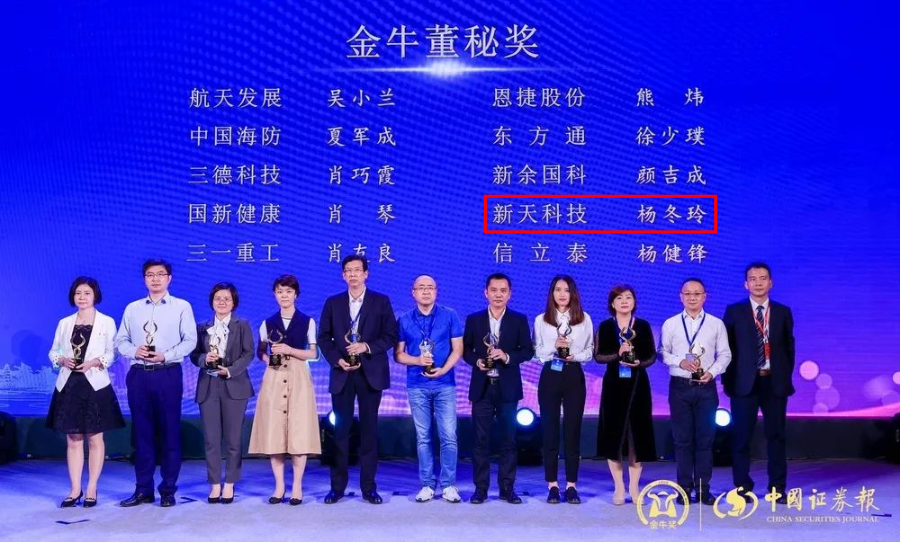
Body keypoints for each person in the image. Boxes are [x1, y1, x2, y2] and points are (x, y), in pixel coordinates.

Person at [115, 259, 197, 508]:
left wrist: (166, 355)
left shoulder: (181, 307)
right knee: (142, 434)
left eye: (161, 274)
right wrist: (134, 350)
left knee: (170, 433)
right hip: (139, 375)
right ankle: (143, 490)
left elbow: (190, 341)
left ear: (169, 278)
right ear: (144, 279)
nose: (155, 279)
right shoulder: (133, 308)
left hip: (167, 373)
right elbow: (120, 340)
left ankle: (168, 490)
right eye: (150, 275)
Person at [318, 255, 398, 504]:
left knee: (368, 432)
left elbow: (391, 336)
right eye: (348, 271)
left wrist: (366, 346)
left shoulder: (380, 301)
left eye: (357, 270)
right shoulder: (333, 302)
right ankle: (337, 488)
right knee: (340, 432)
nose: (353, 274)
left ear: (366, 274)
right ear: (343, 275)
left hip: (370, 374)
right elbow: (323, 338)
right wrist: (336, 360)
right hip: (342, 373)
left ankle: (368, 488)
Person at [47, 276, 125, 508]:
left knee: (95, 437)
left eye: (87, 293)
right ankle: (75, 489)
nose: (82, 297)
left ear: (95, 296)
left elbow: (113, 353)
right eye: (78, 293)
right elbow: (53, 351)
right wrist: (61, 359)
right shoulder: (64, 323)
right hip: (69, 385)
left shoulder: (106, 322)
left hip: (95, 384)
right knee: (73, 438)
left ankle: (91, 487)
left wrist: (94, 362)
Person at [723, 263, 795, 504]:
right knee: (741, 437)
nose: (758, 283)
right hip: (744, 385)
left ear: (770, 283)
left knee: (776, 436)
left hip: (774, 383)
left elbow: (789, 349)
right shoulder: (734, 311)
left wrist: (784, 377)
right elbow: (727, 350)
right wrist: (729, 383)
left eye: (763, 278)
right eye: (753, 279)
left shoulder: (783, 312)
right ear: (746, 284)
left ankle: (777, 488)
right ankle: (742, 487)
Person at [248, 274, 321, 506]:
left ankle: (297, 486)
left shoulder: (307, 321)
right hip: (275, 376)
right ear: (275, 295)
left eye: (288, 291)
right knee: (275, 431)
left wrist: (290, 350)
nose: (284, 296)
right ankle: (279, 486)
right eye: (280, 292)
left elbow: (313, 353)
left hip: (299, 376)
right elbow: (260, 351)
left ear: (296, 294)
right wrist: (268, 360)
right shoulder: (267, 323)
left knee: (299, 431)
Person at [462, 273, 534, 504]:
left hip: (508, 388)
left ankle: (507, 488)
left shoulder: (519, 319)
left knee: (508, 441)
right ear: (486, 292)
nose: (498, 295)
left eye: (503, 290)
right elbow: (466, 350)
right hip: (482, 388)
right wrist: (477, 361)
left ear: (510, 294)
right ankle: (480, 489)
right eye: (494, 290)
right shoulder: (474, 319)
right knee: (480, 441)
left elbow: (527, 351)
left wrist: (507, 356)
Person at [659, 278, 732, 505]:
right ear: (681, 297)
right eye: (688, 293)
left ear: (704, 296)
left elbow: (725, 354)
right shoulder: (670, 324)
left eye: (697, 293)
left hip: (706, 387)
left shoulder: (716, 324)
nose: (692, 297)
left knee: (705, 441)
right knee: (682, 441)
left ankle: (703, 489)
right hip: (679, 387)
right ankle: (684, 488)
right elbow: (662, 352)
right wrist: (680, 362)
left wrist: (712, 372)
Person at [395, 274, 464, 503]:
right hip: (417, 385)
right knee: (423, 437)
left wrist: (443, 370)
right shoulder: (404, 319)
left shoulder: (449, 315)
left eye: (430, 288)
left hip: (445, 384)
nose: (426, 291)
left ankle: (449, 485)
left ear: (436, 291)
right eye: (421, 288)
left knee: (449, 436)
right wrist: (417, 361)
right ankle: (427, 484)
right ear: (413, 292)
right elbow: (398, 354)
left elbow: (458, 349)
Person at [189, 282, 255, 504]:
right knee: (211, 439)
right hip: (208, 386)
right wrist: (203, 359)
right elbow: (194, 354)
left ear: (234, 302)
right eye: (218, 298)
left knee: (234, 439)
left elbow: (248, 353)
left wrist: (230, 370)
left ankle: (230, 483)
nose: (222, 302)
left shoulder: (242, 325)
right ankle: (215, 483)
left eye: (227, 298)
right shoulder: (202, 327)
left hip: (235, 386)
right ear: (212, 302)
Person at [532, 275, 594, 504]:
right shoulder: (541, 320)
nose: (562, 294)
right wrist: (554, 347)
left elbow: (590, 351)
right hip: (550, 373)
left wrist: (573, 355)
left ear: (573, 293)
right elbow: (537, 351)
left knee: (572, 430)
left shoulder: (584, 318)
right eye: (557, 289)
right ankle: (552, 485)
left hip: (573, 374)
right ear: (552, 293)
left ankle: (571, 485)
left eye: (566, 290)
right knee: (549, 431)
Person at [594, 284, 656, 505]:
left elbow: (651, 356)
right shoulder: (605, 326)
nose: (624, 301)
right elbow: (598, 356)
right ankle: (619, 487)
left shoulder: (643, 325)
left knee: (637, 438)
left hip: (638, 385)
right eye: (619, 298)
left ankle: (634, 487)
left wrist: (638, 362)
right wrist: (617, 353)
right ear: (612, 303)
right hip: (614, 386)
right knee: (614, 436)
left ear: (634, 302)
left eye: (628, 297)